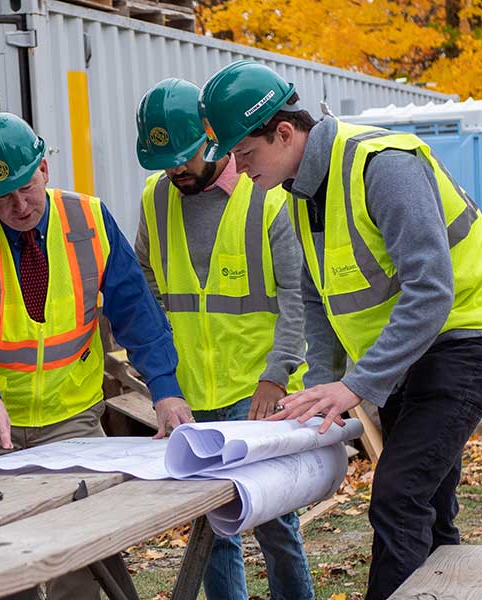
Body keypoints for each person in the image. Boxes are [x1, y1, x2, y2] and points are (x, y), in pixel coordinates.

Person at [198, 60, 482, 600]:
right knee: (428, 498)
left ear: (283, 133)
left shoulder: (381, 165)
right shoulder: (300, 191)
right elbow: (314, 296)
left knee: (397, 495)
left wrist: (358, 385)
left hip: (469, 334)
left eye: (245, 153)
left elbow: (432, 290)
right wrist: (324, 386)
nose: (238, 167)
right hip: (409, 351)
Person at [0, 111, 193, 600]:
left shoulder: (89, 220)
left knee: (85, 557)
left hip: (70, 418)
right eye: (2, 196)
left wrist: (164, 389)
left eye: (26, 187)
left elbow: (136, 310)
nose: (19, 205)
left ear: (45, 170)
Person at [134, 78, 314, 600]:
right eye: (163, 160)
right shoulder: (155, 199)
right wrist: (166, 378)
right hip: (192, 396)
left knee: (277, 525)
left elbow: (298, 297)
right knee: (213, 531)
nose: (174, 169)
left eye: (184, 156)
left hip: (257, 392)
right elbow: (145, 287)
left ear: (211, 138)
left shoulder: (269, 197)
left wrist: (275, 376)